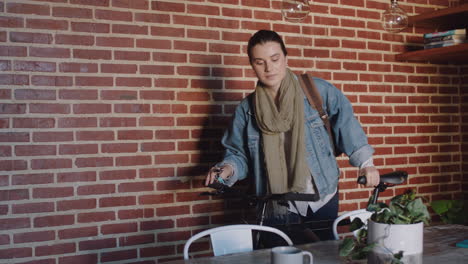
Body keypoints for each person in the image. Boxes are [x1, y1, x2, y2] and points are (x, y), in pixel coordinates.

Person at [205, 29, 380, 243]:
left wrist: (366, 163)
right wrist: (227, 169)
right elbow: (237, 154)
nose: (269, 68)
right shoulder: (247, 110)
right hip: (275, 203)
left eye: (275, 59)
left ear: (285, 58)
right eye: (259, 62)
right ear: (252, 65)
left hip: (322, 197)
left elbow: (346, 124)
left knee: (323, 256)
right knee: (278, 257)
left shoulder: (316, 90)